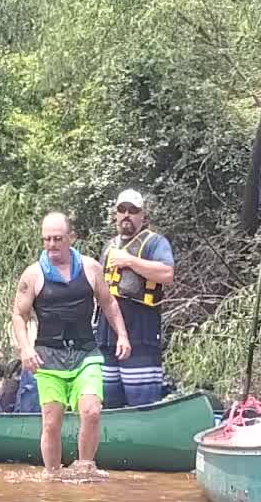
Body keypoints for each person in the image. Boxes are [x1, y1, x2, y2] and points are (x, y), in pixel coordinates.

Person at [13, 212, 130, 476]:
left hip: (85, 352)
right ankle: (52, 475)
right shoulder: (33, 274)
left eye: (57, 239)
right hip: (48, 356)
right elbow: (19, 315)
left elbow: (109, 303)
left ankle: (86, 467)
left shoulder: (90, 268)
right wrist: (25, 348)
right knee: (52, 422)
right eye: (46, 240)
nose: (52, 245)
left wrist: (122, 335)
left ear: (71, 238)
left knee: (91, 412)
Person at [97, 188, 175, 408]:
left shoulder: (155, 243)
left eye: (133, 210)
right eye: (122, 210)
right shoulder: (109, 246)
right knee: (106, 401)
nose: (126, 215)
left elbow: (167, 274)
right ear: (116, 214)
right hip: (106, 335)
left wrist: (130, 261)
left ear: (142, 215)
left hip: (141, 332)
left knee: (142, 403)